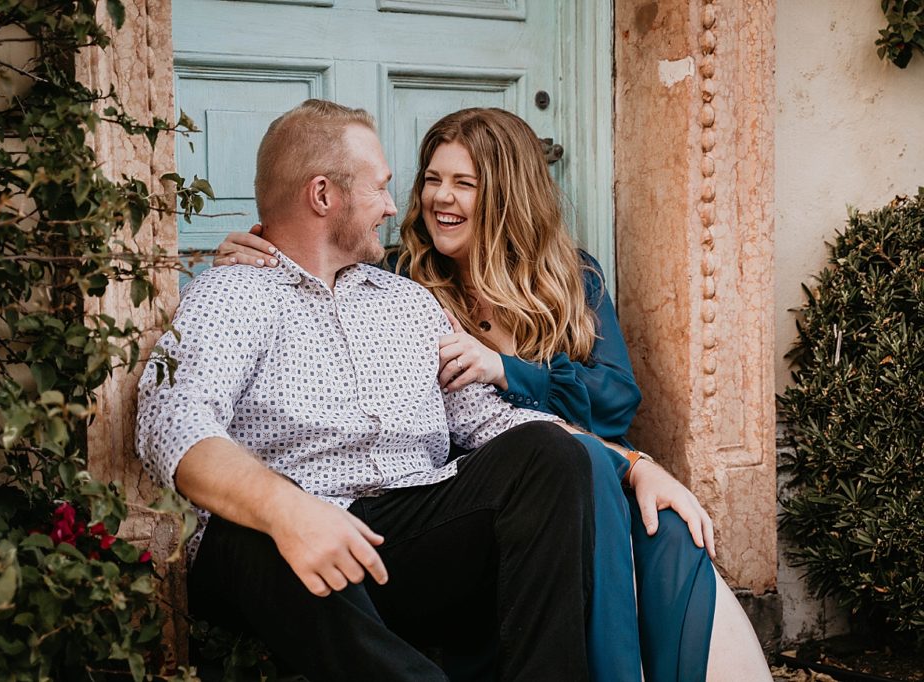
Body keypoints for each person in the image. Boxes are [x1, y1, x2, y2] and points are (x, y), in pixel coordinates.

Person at [137, 99, 713, 682]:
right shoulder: (232, 294)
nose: (397, 205)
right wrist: (289, 510)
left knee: (552, 456)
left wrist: (630, 463)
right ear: (322, 196)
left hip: (405, 531)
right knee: (250, 531)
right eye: (382, 188)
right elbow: (174, 426)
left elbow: (488, 420)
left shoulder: (408, 301)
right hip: (288, 546)